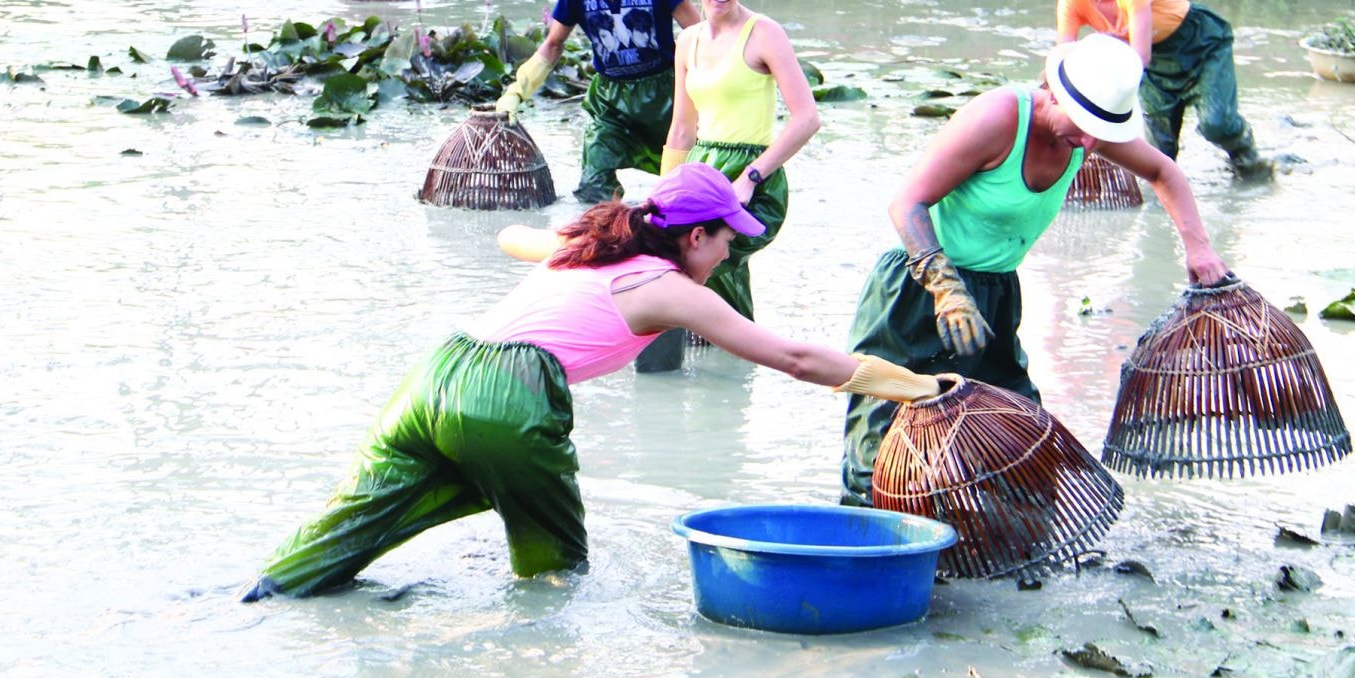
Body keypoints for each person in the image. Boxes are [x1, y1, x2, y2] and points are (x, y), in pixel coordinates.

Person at [240, 163, 941, 600]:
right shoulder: (667, 286)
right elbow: (791, 358)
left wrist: (552, 243)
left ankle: (254, 600)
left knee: (341, 535)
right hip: (508, 395)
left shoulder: (592, 247)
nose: (731, 249)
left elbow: (514, 238)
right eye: (727, 236)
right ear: (694, 236)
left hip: (437, 373)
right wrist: (916, 386)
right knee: (557, 575)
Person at [839, 34, 1231, 506]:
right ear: (1051, 91)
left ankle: (994, 550)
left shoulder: (1091, 134)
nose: (1089, 143)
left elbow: (1164, 172)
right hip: (916, 287)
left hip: (996, 294)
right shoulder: (997, 118)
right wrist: (946, 288)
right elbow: (907, 203)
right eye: (1082, 125)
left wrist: (1199, 248)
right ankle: (866, 552)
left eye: (1099, 131)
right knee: (882, 448)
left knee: (1022, 435)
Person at [637, 0, 821, 371]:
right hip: (700, 172)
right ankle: (712, 382)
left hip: (754, 178)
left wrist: (751, 177)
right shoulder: (687, 41)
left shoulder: (764, 33)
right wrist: (661, 197)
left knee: (706, 264)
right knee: (671, 260)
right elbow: (682, 128)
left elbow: (807, 118)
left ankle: (728, 364)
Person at [496, 0, 701, 204]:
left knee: (687, 188)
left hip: (666, 99)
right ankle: (609, 245)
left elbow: (702, 35)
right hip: (611, 103)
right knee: (594, 191)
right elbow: (553, 45)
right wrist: (516, 92)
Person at [1055, 0, 1269, 178]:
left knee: (1217, 124)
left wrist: (1108, 110)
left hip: (1198, 44)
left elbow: (1140, 56)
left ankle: (1249, 158)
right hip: (1152, 64)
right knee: (1158, 152)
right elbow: (1063, 61)